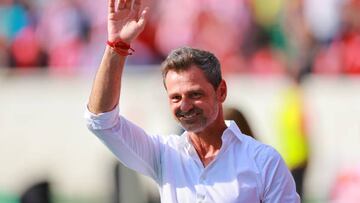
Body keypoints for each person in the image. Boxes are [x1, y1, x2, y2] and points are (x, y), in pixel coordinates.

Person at [84, 0, 300, 202]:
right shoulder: (165, 154)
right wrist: (117, 46)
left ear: (221, 92)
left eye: (195, 94)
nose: (185, 106)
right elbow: (101, 121)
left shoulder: (263, 161)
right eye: (175, 97)